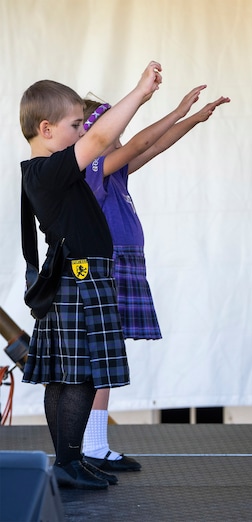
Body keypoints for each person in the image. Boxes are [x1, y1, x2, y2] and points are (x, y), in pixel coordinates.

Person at [19, 62, 162, 489]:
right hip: (78, 279)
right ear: (46, 129)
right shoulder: (49, 170)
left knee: (68, 374)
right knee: (78, 375)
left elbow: (124, 146)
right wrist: (138, 93)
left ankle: (69, 459)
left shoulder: (54, 171)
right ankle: (68, 459)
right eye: (75, 125)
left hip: (80, 277)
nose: (83, 132)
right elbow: (102, 138)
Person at [79, 87, 230, 473]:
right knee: (99, 356)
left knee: (107, 355)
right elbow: (143, 142)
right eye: (115, 133)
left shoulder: (114, 173)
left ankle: (94, 443)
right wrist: (179, 108)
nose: (123, 138)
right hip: (108, 265)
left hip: (123, 263)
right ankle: (89, 444)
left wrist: (192, 120)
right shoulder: (92, 170)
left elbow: (151, 148)